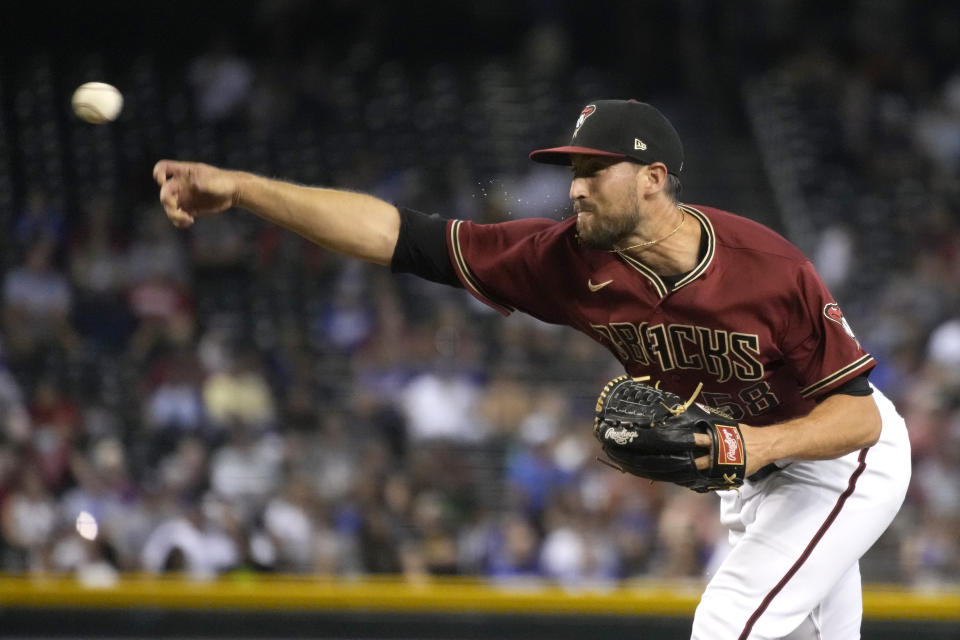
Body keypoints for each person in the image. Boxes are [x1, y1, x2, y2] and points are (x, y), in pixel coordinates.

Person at [153, 99, 911, 639]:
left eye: (594, 167)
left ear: (653, 179)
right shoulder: (564, 261)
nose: (575, 184)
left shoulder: (766, 267)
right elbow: (399, 236)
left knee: (728, 624)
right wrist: (245, 189)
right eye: (571, 168)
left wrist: (758, 447)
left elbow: (861, 416)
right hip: (748, 470)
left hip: (840, 457)